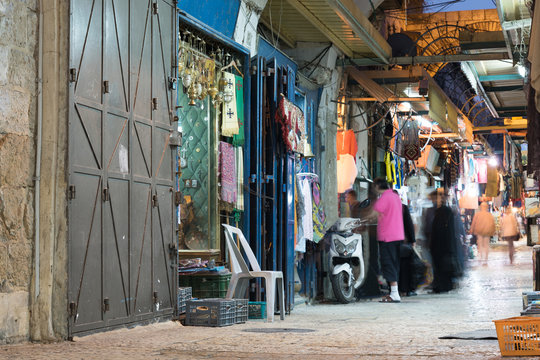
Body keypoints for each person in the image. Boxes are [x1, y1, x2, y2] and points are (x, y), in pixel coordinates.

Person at [373, 177, 404, 303]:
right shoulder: (395, 196)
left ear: (377, 186)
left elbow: (374, 213)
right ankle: (393, 292)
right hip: (397, 235)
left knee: (388, 263)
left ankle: (395, 294)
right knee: (393, 263)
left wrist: (362, 220)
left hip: (387, 237)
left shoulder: (385, 197)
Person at [429, 189, 462, 293]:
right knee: (443, 267)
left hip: (441, 245)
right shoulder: (446, 212)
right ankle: (444, 285)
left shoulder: (442, 212)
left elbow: (438, 230)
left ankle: (441, 286)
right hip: (446, 245)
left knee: (441, 266)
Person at [398, 200, 418, 296]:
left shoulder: (387, 209)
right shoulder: (402, 208)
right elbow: (409, 224)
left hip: (392, 243)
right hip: (404, 243)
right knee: (406, 267)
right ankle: (406, 289)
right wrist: (413, 240)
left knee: (397, 267)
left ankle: (398, 289)